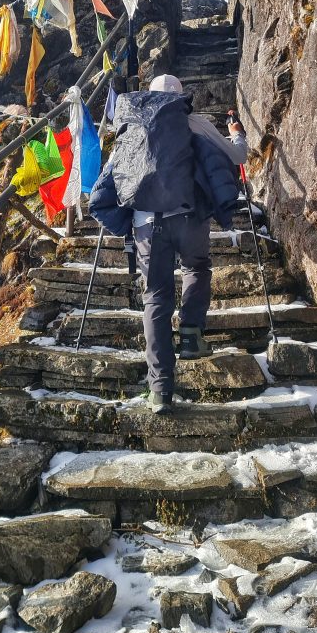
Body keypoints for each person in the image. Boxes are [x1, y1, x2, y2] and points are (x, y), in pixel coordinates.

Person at [89, 73, 248, 414]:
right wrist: (237, 133)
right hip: (190, 217)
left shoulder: (133, 127)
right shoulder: (196, 122)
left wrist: (121, 221)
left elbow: (110, 179)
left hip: (147, 225)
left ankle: (160, 390)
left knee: (156, 297)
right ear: (181, 96)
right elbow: (237, 158)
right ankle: (191, 335)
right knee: (196, 267)